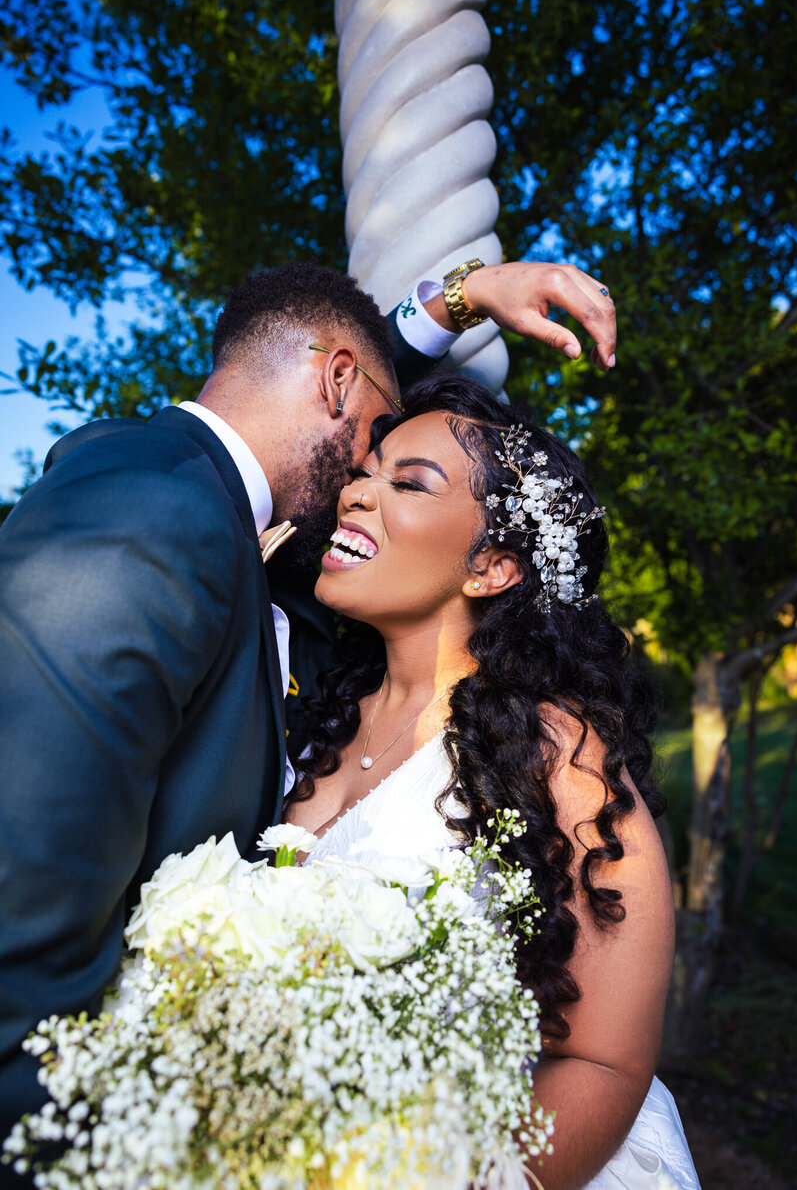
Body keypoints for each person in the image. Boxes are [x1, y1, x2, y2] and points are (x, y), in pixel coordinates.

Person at [0, 256, 616, 1171]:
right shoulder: (158, 513)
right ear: (334, 380)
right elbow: (25, 893)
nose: (360, 484)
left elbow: (416, 449)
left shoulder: (237, 542)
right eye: (372, 448)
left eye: (397, 477)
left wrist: (458, 302)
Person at [285, 374, 701, 1190]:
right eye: (366, 470)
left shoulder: (557, 753)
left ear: (492, 567)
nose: (357, 493)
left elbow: (605, 1061)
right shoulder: (315, 720)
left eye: (408, 482)